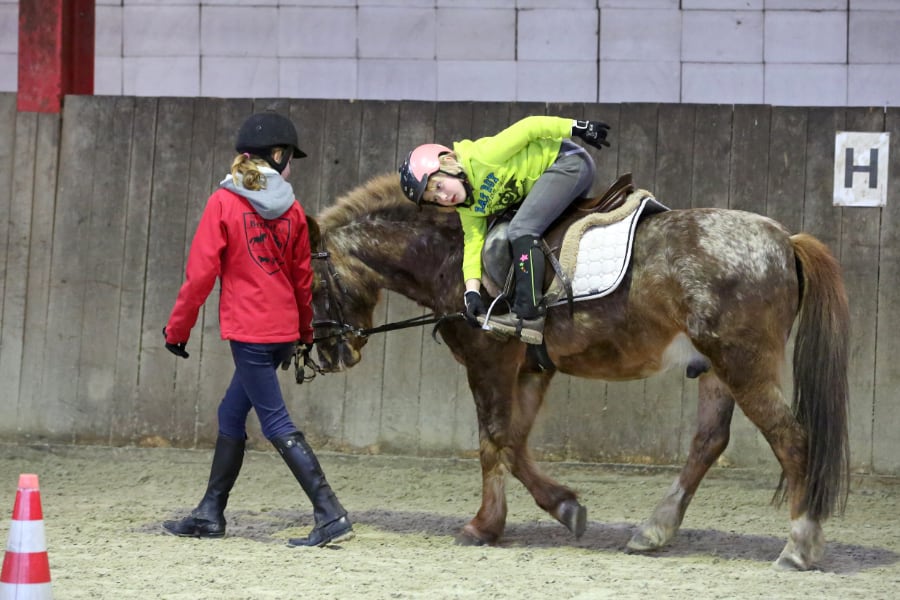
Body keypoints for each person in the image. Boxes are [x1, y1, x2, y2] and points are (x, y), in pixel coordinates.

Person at [161, 110, 353, 547]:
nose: (293, 166)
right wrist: (303, 332)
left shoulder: (225, 203)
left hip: (250, 331)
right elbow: (301, 277)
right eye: (292, 157)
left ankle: (330, 513)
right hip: (281, 331)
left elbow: (200, 274)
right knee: (231, 414)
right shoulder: (294, 209)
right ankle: (210, 513)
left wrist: (178, 329)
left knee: (275, 422)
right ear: (279, 155)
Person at [398, 116, 610, 345]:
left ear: (449, 161)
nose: (443, 197)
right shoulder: (468, 208)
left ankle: (529, 313)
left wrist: (578, 127)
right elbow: (473, 245)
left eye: (438, 186)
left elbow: (530, 127)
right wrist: (471, 294)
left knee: (521, 228)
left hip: (567, 163)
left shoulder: (483, 157)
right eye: (435, 199)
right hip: (547, 182)